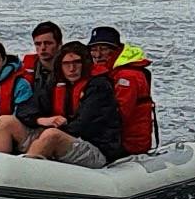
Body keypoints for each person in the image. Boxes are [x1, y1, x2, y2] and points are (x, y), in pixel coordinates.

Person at [25, 41, 126, 169]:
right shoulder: (56, 84)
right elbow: (25, 109)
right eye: (66, 64)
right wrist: (40, 120)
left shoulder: (99, 87)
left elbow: (83, 125)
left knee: (51, 135)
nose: (71, 69)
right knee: (5, 122)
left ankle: (25, 176)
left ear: (85, 64)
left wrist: (49, 131)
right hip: (65, 138)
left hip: (97, 150)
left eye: (76, 63)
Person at [87, 24, 156, 153]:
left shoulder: (127, 77)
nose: (97, 55)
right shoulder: (111, 72)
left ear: (116, 50)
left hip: (128, 144)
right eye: (94, 49)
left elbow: (120, 115)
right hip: (116, 139)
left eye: (103, 49)